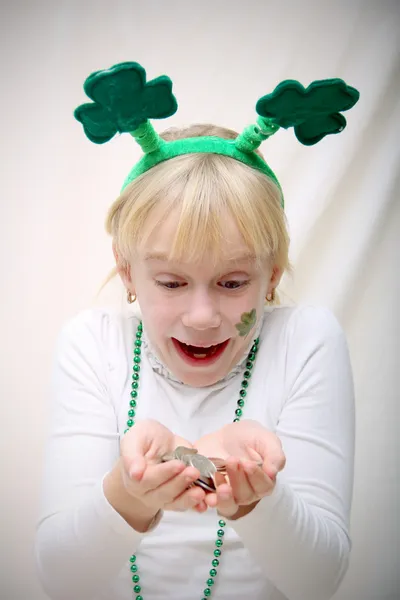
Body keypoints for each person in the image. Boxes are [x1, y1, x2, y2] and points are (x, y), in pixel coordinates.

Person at [34, 62, 358, 600]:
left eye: (233, 282)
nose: (203, 316)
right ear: (127, 270)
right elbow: (61, 580)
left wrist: (255, 500)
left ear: (271, 277)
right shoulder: (92, 346)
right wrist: (129, 495)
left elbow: (318, 580)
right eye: (171, 281)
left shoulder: (306, 340)